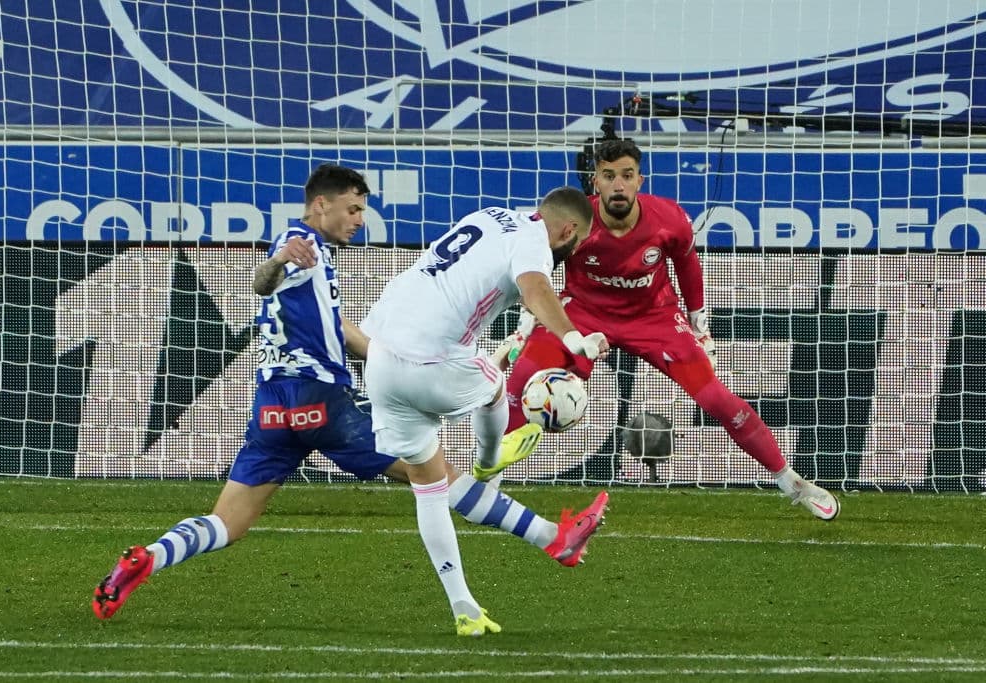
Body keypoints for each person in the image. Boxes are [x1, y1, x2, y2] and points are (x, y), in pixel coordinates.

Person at [92, 165, 610, 630]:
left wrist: (390, 354)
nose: (359, 220)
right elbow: (262, 280)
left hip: (273, 405)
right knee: (434, 478)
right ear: (321, 205)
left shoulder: (313, 257)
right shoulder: (304, 246)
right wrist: (279, 262)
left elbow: (340, 331)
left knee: (227, 522)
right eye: (353, 209)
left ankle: (148, 559)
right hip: (323, 402)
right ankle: (544, 532)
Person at [501, 139, 840, 521]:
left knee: (716, 399)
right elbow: (537, 272)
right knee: (522, 380)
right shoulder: (574, 222)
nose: (618, 185)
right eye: (609, 176)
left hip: (655, 318)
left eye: (627, 176)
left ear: (639, 180)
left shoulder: (669, 219)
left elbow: (687, 264)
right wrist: (527, 322)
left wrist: (700, 325)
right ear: (594, 181)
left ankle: (792, 482)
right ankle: (486, 480)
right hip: (583, 312)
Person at [359, 186, 612, 638]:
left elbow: (480, 285)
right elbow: (534, 286)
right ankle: (490, 458)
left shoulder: (493, 215)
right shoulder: (536, 242)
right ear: (568, 231)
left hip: (380, 357)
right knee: (495, 390)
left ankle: (468, 605)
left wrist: (524, 322)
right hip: (430, 358)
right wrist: (577, 341)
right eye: (576, 244)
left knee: (431, 486)